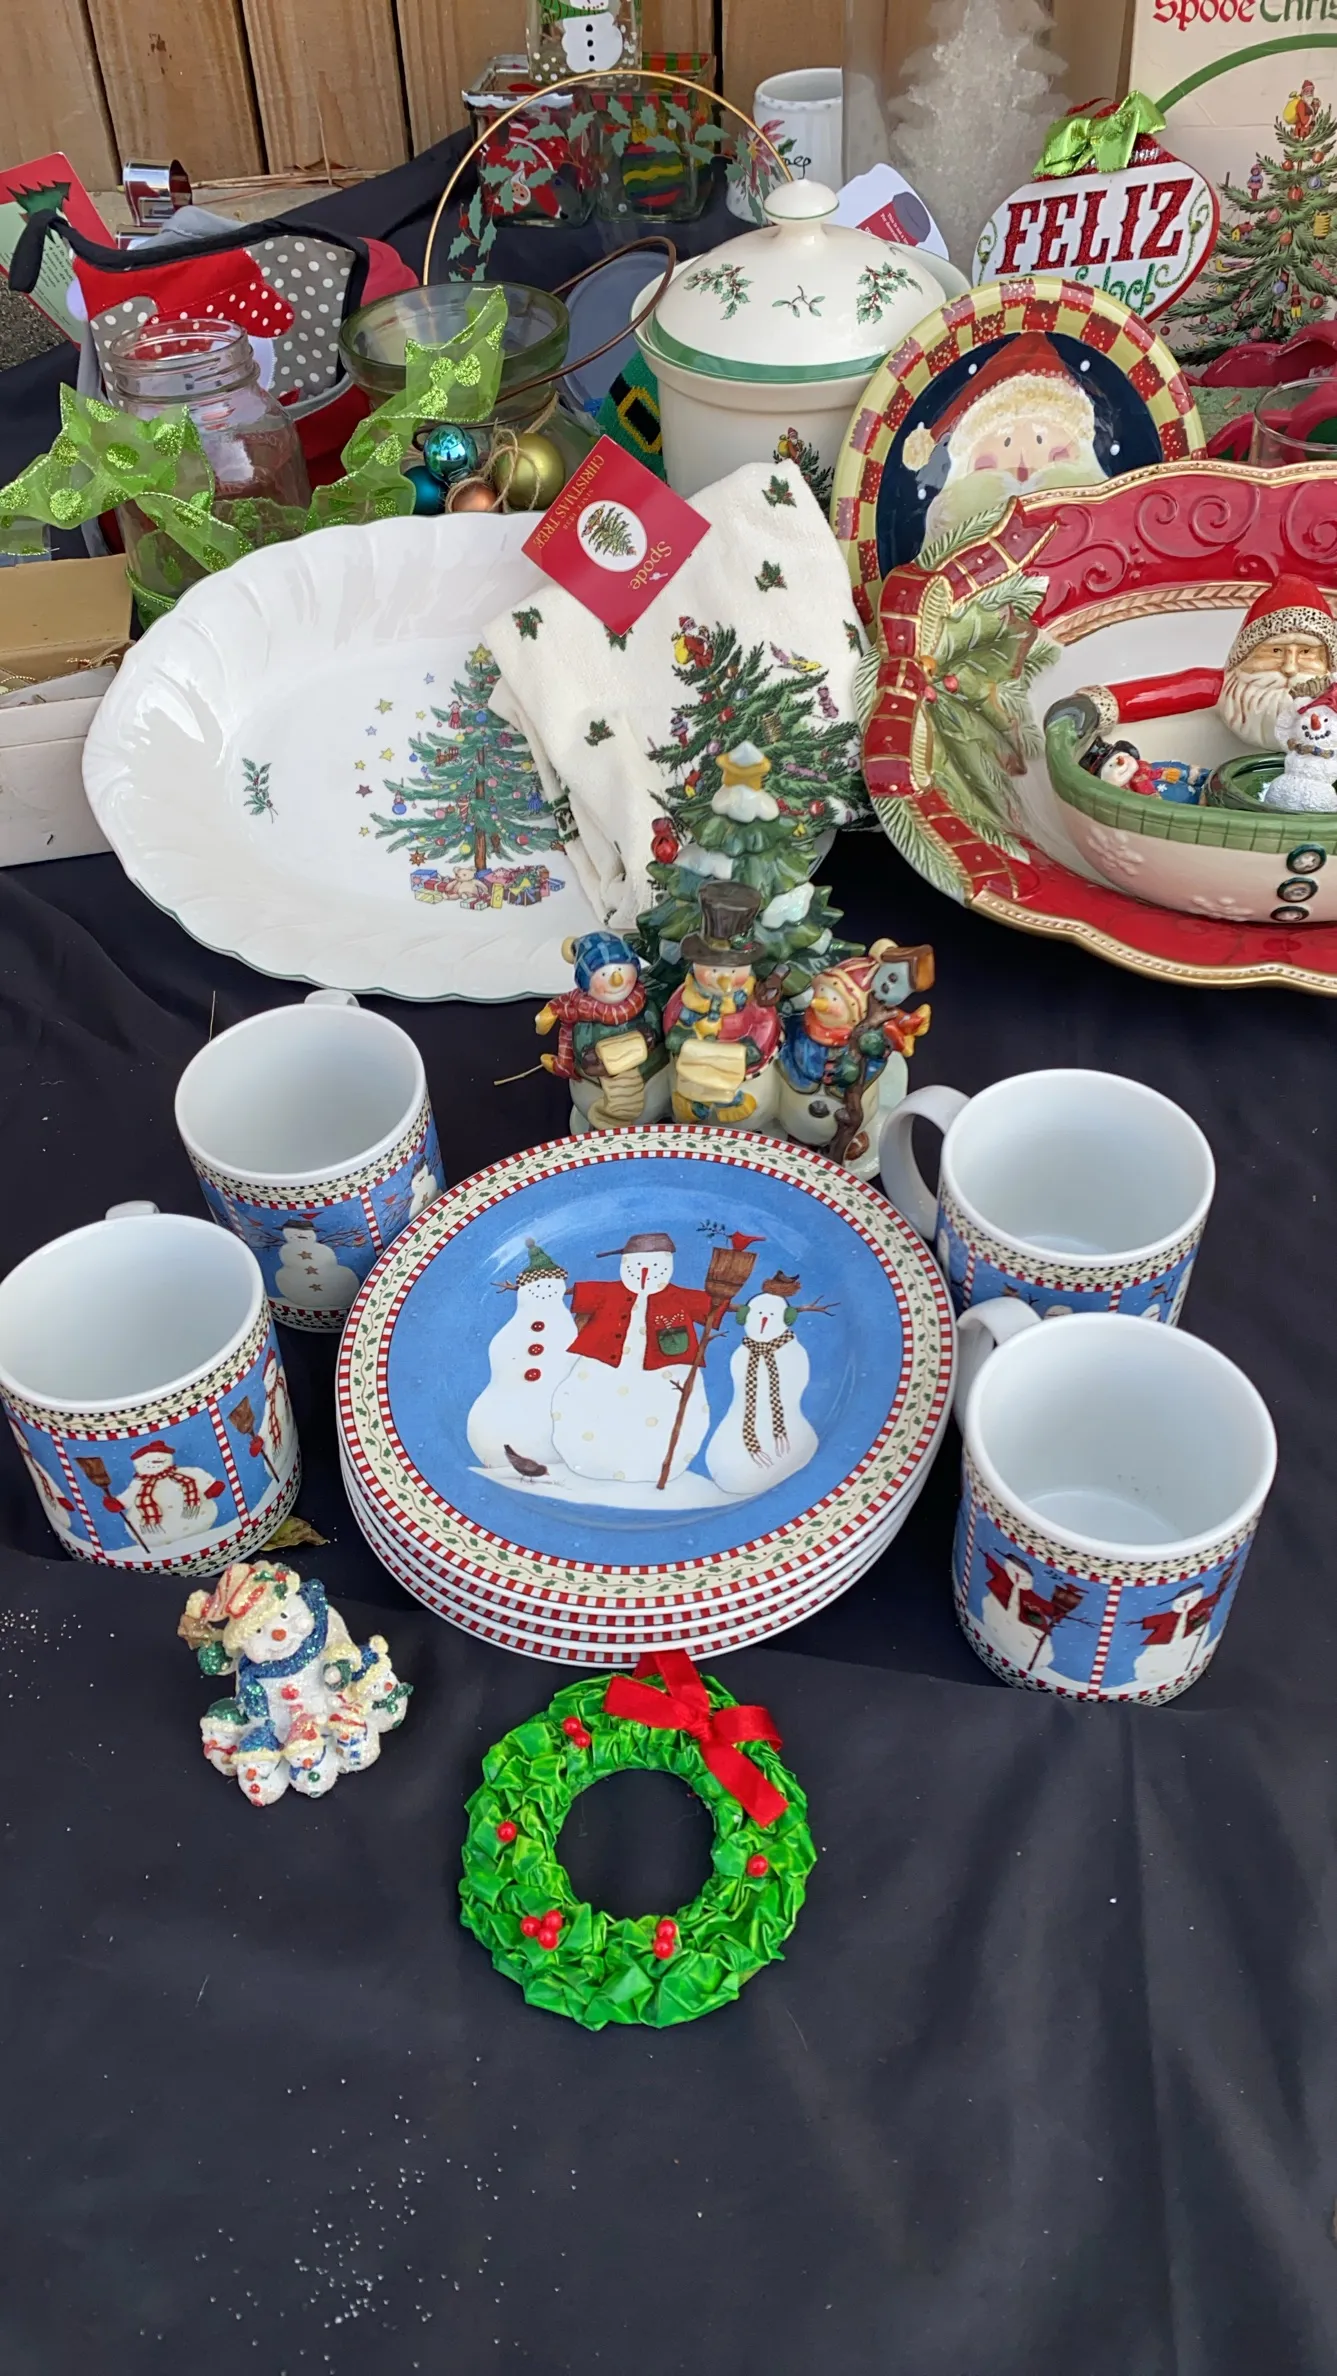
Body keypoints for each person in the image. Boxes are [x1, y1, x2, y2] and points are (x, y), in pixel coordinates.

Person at [1074, 574, 1337, 753]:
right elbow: (1170, 690)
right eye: (1276, 651)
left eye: (1306, 653)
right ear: (1245, 654)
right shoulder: (1224, 689)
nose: (1290, 668)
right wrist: (1096, 704)